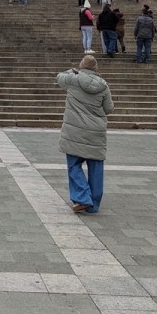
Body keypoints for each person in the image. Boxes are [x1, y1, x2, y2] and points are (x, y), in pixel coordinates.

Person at [56, 55, 114, 214]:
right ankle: (93, 205)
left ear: (81, 65)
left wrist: (74, 70)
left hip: (74, 131)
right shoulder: (103, 85)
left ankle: (82, 197)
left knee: (74, 166)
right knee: (96, 167)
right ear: (96, 68)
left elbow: (59, 77)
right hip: (96, 132)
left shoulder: (72, 79)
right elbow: (109, 109)